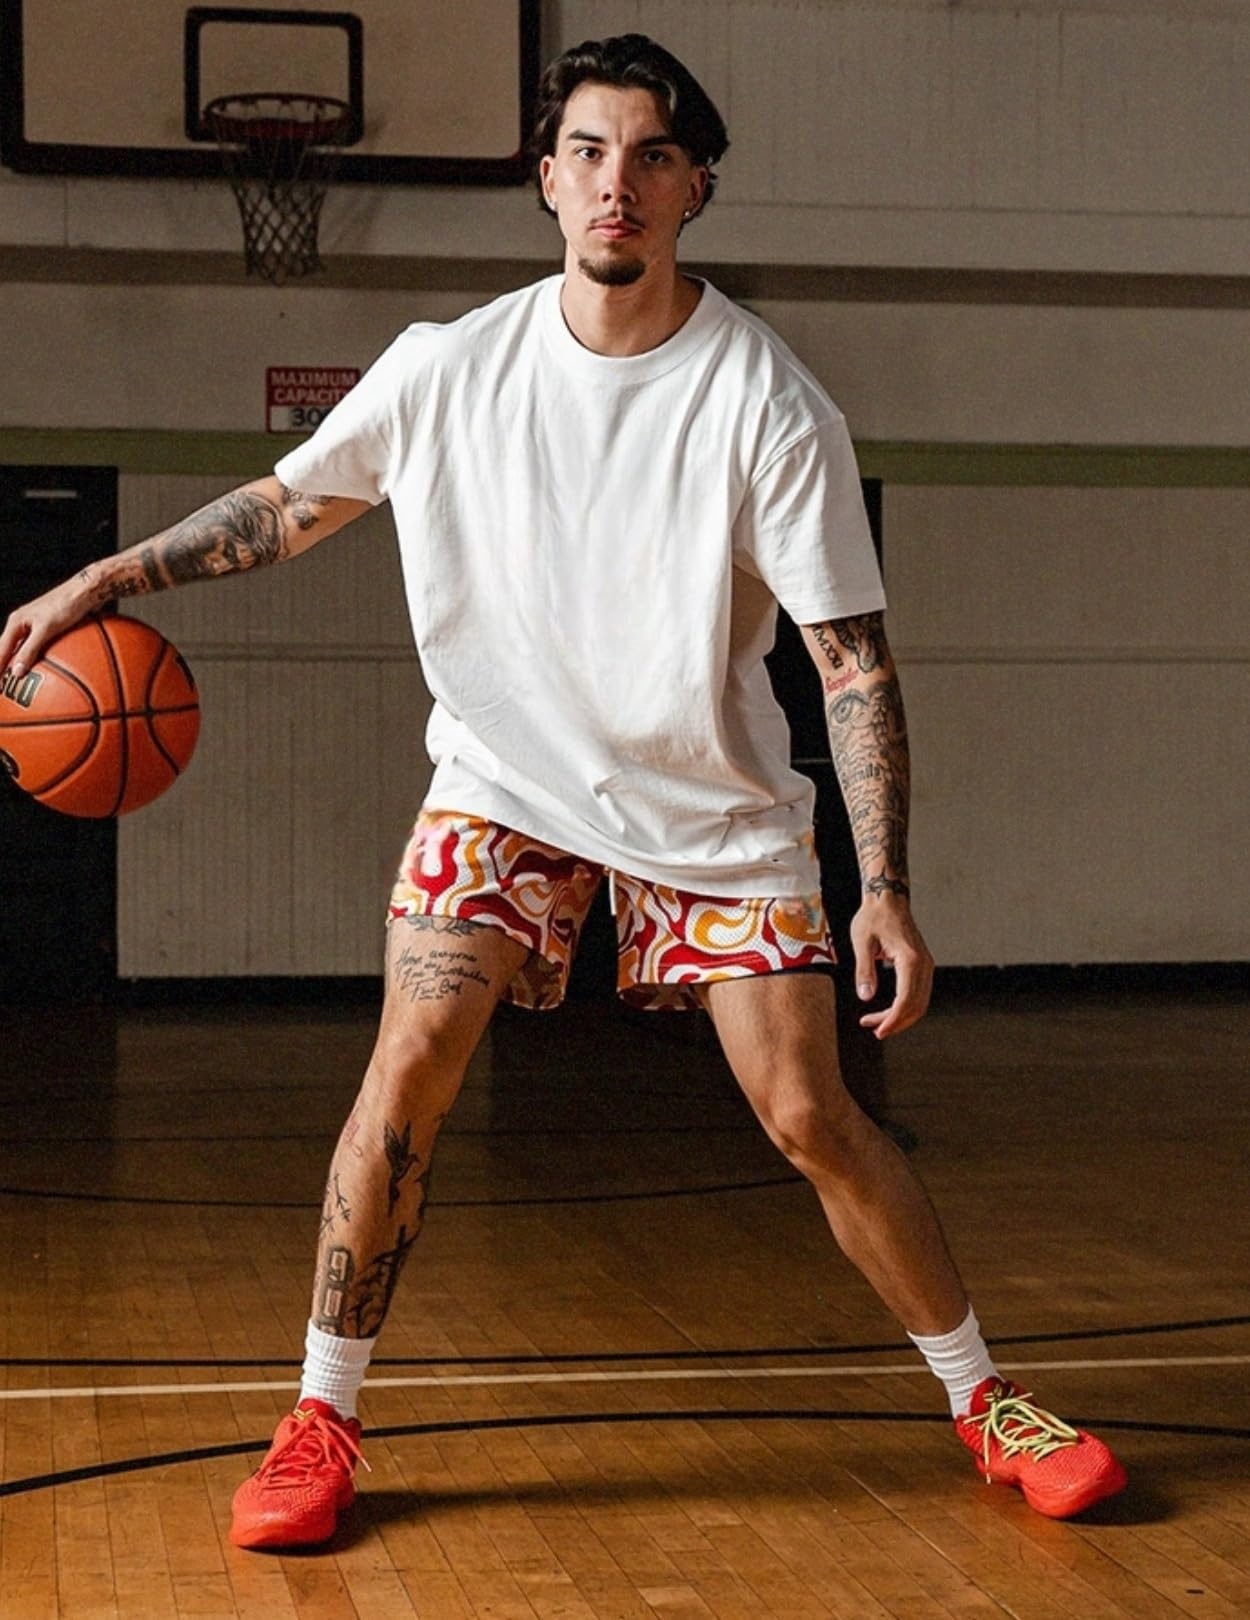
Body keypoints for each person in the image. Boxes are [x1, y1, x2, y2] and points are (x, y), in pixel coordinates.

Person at [0, 33, 1126, 1549]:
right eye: (589, 152)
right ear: (546, 179)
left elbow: (850, 665)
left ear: (693, 188)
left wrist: (888, 890)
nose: (617, 183)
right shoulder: (447, 369)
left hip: (710, 806)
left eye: (651, 155)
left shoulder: (766, 399)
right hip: (504, 785)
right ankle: (320, 1419)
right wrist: (104, 577)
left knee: (811, 1114)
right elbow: (287, 505)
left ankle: (988, 1401)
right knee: (409, 1064)